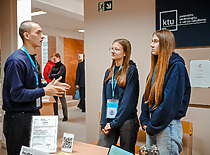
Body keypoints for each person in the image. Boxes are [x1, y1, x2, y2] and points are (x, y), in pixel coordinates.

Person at [2, 20, 70, 155]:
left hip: (33, 115)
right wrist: (44, 91)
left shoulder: (32, 59)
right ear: (26, 35)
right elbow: (16, 94)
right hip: (18, 120)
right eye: (38, 32)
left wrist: (50, 85)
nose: (42, 36)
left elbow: (34, 85)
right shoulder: (16, 61)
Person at [139, 29, 191, 155]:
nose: (151, 45)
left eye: (155, 41)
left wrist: (151, 126)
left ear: (165, 43)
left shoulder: (176, 66)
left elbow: (170, 103)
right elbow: (147, 95)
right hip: (153, 124)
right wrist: (145, 119)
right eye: (152, 41)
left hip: (167, 126)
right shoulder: (157, 67)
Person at [97, 38, 140, 154]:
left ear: (125, 53)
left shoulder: (131, 71)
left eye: (117, 49)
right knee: (102, 149)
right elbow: (104, 99)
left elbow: (128, 102)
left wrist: (114, 123)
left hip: (127, 119)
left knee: (125, 153)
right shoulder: (109, 72)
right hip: (111, 119)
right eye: (112, 48)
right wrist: (103, 122)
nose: (113, 51)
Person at [49, 53, 68, 121]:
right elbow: (49, 75)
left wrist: (52, 75)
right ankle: (56, 115)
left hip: (61, 86)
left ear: (59, 58)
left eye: (55, 58)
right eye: (53, 59)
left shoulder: (62, 67)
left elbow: (59, 75)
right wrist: (54, 75)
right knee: (55, 102)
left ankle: (65, 116)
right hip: (54, 86)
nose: (53, 60)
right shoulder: (53, 67)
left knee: (63, 101)